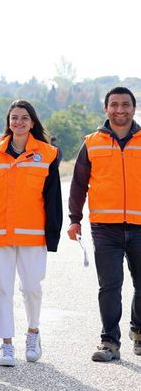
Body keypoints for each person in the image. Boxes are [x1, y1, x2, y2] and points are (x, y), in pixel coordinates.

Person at [0, 100, 62, 366]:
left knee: (32, 288)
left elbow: (53, 198)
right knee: (1, 289)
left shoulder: (48, 154)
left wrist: (53, 234)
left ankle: (33, 332)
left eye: (24, 118)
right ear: (8, 122)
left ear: (32, 122)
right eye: (14, 118)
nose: (19, 122)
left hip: (33, 235)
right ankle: (6, 344)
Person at [69, 86, 141, 362]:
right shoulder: (92, 143)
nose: (119, 109)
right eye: (114, 104)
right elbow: (78, 184)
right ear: (106, 108)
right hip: (105, 228)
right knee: (109, 286)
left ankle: (139, 331)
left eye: (125, 104)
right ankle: (109, 341)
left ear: (134, 108)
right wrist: (74, 220)